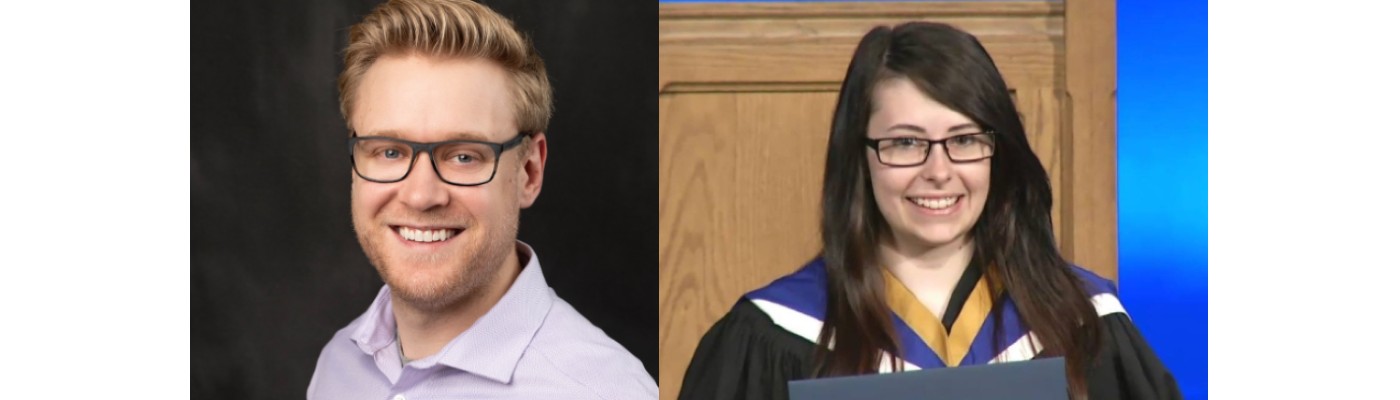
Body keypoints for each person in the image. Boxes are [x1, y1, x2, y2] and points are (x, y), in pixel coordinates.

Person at [678, 22, 1181, 400]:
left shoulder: (1084, 324)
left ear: (997, 151)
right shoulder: (772, 335)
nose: (938, 171)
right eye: (904, 143)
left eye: (964, 139)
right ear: (860, 157)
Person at [306, 0, 656, 399]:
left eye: (464, 156)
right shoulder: (339, 365)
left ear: (529, 172)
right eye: (389, 152)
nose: (421, 195)